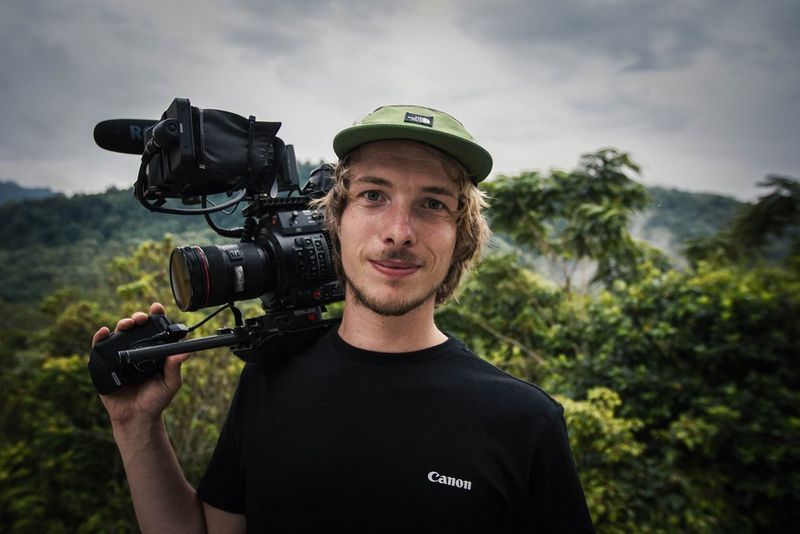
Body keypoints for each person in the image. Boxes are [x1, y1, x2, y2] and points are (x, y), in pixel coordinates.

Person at [92, 105, 594, 533]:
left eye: (432, 204)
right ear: (335, 219)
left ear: (461, 237)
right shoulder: (270, 380)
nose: (399, 232)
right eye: (373, 195)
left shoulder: (523, 422)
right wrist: (135, 425)